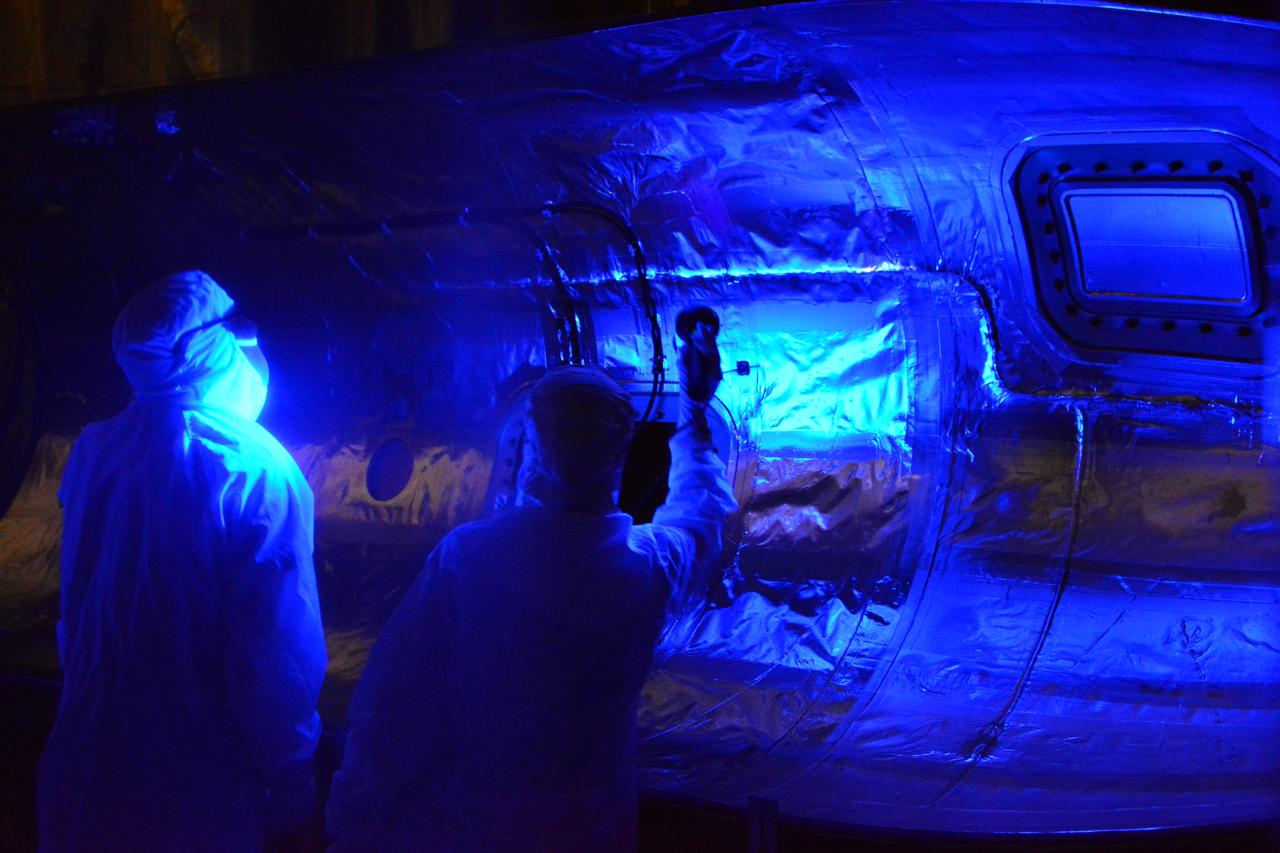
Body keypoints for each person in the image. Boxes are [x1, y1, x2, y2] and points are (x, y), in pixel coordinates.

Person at [327, 317, 737, 852]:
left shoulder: (467, 560)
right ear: (619, 455)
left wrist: (352, 829)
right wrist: (696, 408)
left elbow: (392, 713)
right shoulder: (647, 568)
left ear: (531, 447)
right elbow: (700, 518)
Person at [38, 270, 327, 852]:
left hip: (87, 749)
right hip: (195, 781)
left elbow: (80, 607)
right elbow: (275, 653)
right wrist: (291, 771)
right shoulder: (252, 466)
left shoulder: (95, 449)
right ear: (217, 348)